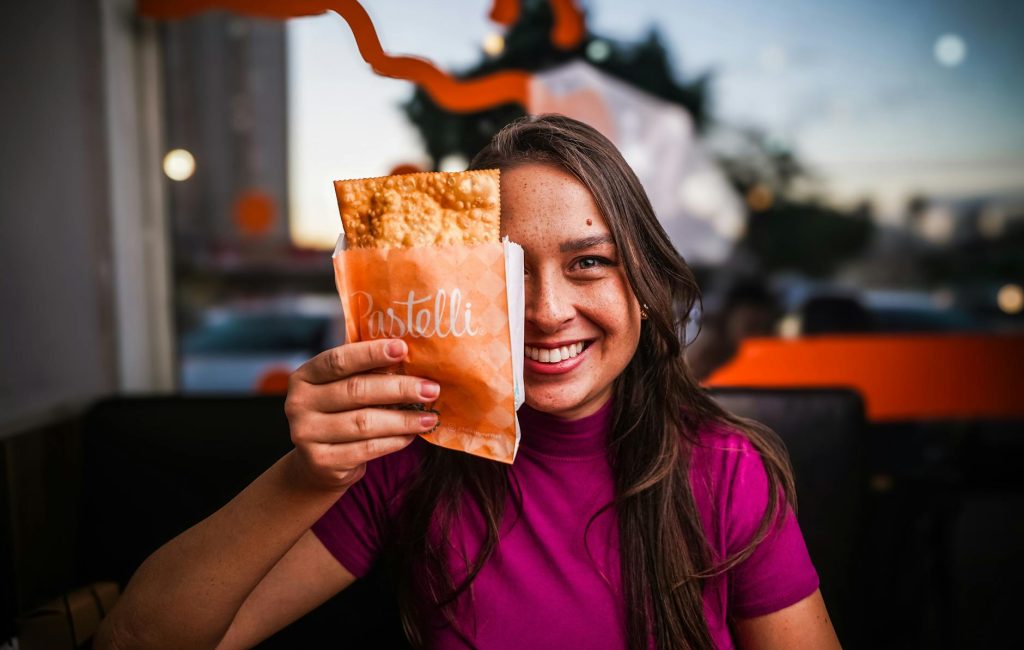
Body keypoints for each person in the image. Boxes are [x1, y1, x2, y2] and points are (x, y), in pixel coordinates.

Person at [96, 115, 840, 649]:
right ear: (464, 287)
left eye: (589, 261)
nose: (548, 313)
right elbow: (138, 638)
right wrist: (310, 472)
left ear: (642, 283)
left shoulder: (724, 470)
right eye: (510, 272)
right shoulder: (412, 458)